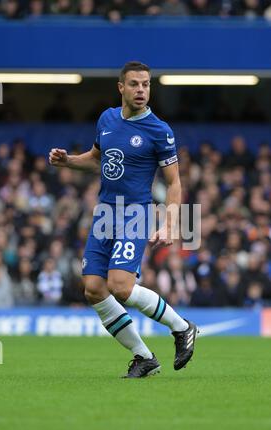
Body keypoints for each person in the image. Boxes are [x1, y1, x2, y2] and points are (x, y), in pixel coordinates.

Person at [49, 61, 198, 378]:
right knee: (93, 289)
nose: (141, 90)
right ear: (121, 87)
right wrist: (68, 162)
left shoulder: (159, 131)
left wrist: (170, 223)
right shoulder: (107, 119)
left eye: (146, 84)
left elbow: (174, 183)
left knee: (120, 286)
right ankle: (144, 356)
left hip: (135, 213)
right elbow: (97, 160)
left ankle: (182, 327)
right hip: (105, 212)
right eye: (134, 84)